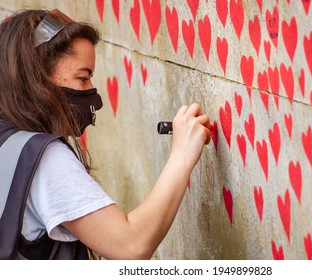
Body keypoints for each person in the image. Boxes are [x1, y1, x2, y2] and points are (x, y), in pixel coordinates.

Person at [0, 9, 211, 259]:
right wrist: (182, 155)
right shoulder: (43, 158)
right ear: (37, 78)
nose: (93, 94)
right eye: (83, 78)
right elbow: (131, 246)